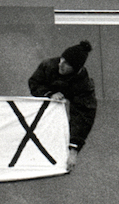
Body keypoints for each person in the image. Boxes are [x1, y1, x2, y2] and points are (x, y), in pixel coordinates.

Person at [29, 39, 97, 171]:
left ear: (76, 69)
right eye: (62, 59)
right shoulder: (48, 65)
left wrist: (73, 150)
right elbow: (34, 83)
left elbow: (83, 117)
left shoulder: (84, 86)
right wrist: (48, 94)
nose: (61, 64)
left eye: (67, 64)